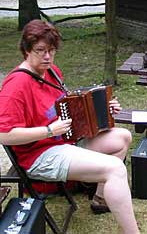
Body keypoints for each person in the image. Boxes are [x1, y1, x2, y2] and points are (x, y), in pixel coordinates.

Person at [0, 20, 139, 234]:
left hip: (64, 141)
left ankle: (101, 198)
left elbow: (67, 109)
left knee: (122, 137)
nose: (47, 56)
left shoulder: (51, 72)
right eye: (40, 51)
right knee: (115, 169)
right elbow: (4, 134)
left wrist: (103, 109)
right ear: (26, 50)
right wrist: (48, 131)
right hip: (39, 155)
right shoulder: (16, 86)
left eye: (52, 51)